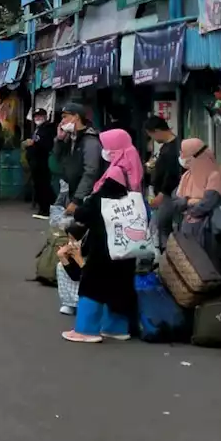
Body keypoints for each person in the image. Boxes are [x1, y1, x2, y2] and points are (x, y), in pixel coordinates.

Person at [62, 128, 143, 343]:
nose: (104, 150)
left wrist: (79, 212)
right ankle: (116, 327)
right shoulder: (132, 167)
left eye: (106, 146)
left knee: (93, 282)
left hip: (106, 239)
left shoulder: (115, 174)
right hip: (126, 239)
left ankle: (86, 329)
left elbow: (98, 205)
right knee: (120, 282)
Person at [171, 137, 221, 268]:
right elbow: (176, 201)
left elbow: (208, 203)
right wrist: (190, 202)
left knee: (207, 261)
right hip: (186, 226)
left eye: (185, 155)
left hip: (207, 228)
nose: (182, 158)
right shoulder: (187, 176)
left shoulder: (214, 176)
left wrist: (188, 205)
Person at [57, 102, 102, 215]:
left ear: (76, 117)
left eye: (65, 117)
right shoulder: (70, 137)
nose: (62, 121)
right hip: (70, 190)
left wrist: (77, 199)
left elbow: (90, 172)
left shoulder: (90, 140)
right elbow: (57, 156)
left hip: (86, 197)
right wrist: (59, 140)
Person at [144, 115, 182, 243]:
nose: (153, 139)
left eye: (152, 135)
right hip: (163, 194)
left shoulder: (173, 148)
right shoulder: (167, 147)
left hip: (168, 195)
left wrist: (162, 193)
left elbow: (172, 173)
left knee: (161, 228)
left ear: (157, 131)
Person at [24, 108, 55, 219]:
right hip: (35, 162)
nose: (37, 118)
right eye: (36, 116)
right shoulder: (38, 129)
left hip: (42, 162)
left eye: (40, 116)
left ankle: (45, 209)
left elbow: (46, 145)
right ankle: (44, 207)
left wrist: (34, 143)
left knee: (43, 185)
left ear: (45, 116)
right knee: (39, 185)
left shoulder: (47, 129)